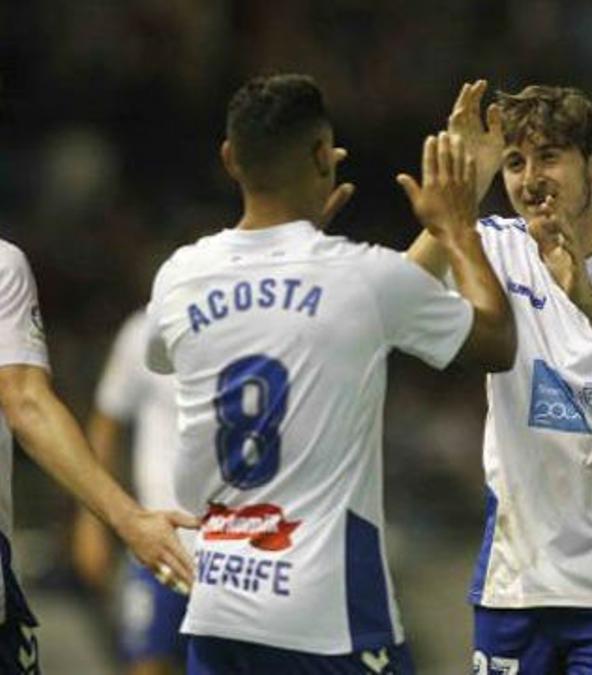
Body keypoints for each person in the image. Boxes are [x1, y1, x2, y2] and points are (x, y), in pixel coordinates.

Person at [143, 73, 514, 674]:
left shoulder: (179, 276)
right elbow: (495, 340)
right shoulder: (359, 280)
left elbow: (326, 308)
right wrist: (458, 221)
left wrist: (307, 247)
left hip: (219, 605)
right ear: (324, 156)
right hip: (327, 614)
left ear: (230, 159)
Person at [407, 81, 592, 674]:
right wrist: (466, 188)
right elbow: (391, 303)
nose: (529, 178)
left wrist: (588, 299)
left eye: (549, 157)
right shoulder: (491, 246)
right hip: (517, 585)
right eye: (515, 163)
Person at [0, 239, 197, 675]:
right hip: (171, 533)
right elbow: (31, 405)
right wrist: (120, 519)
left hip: (233, 537)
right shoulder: (140, 332)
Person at [71, 308, 189, 675]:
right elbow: (107, 420)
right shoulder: (145, 329)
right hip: (158, 539)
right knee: (146, 664)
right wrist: (91, 522)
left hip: (235, 540)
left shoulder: (259, 325)